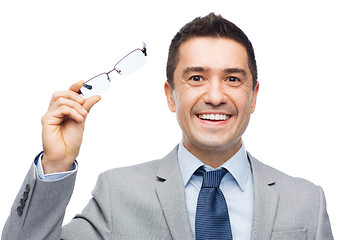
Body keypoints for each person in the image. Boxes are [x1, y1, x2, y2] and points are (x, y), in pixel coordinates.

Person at [2, 13, 333, 240]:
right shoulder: (117, 194)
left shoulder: (306, 201)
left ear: (253, 96)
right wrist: (56, 165)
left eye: (233, 78)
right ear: (170, 96)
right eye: (196, 78)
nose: (215, 96)